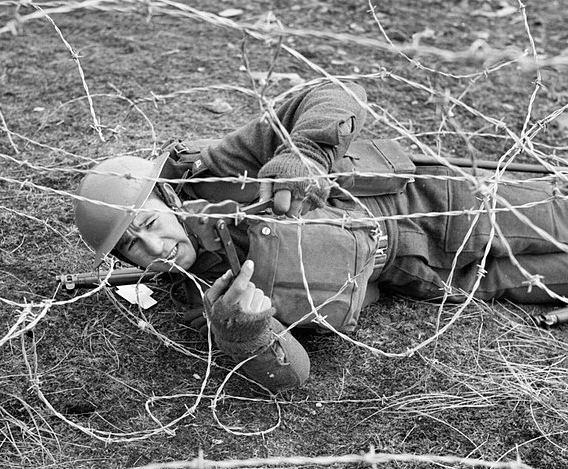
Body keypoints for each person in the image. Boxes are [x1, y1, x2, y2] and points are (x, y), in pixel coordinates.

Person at [73, 81, 568, 392]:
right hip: (424, 277)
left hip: (434, 207)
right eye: (133, 245)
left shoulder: (219, 172)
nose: (156, 248)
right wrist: (244, 334)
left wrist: (304, 154)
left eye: (152, 223)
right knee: (551, 280)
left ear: (169, 196)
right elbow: (293, 375)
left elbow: (336, 92)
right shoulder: (205, 299)